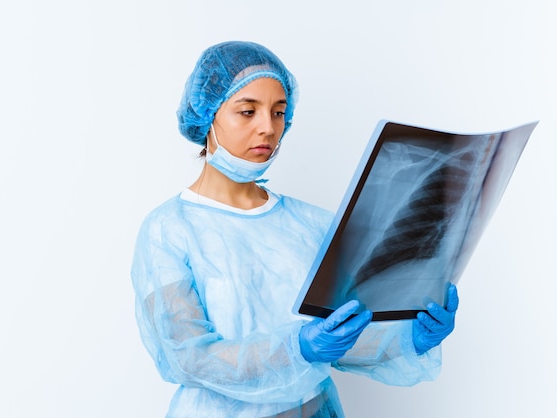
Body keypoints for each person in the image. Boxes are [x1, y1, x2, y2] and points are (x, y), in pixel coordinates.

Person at [131, 40, 459, 418]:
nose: (267, 128)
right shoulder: (168, 231)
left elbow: (342, 339)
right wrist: (296, 348)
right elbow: (188, 357)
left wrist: (409, 338)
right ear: (207, 116)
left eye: (278, 112)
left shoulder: (312, 225)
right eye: (247, 111)